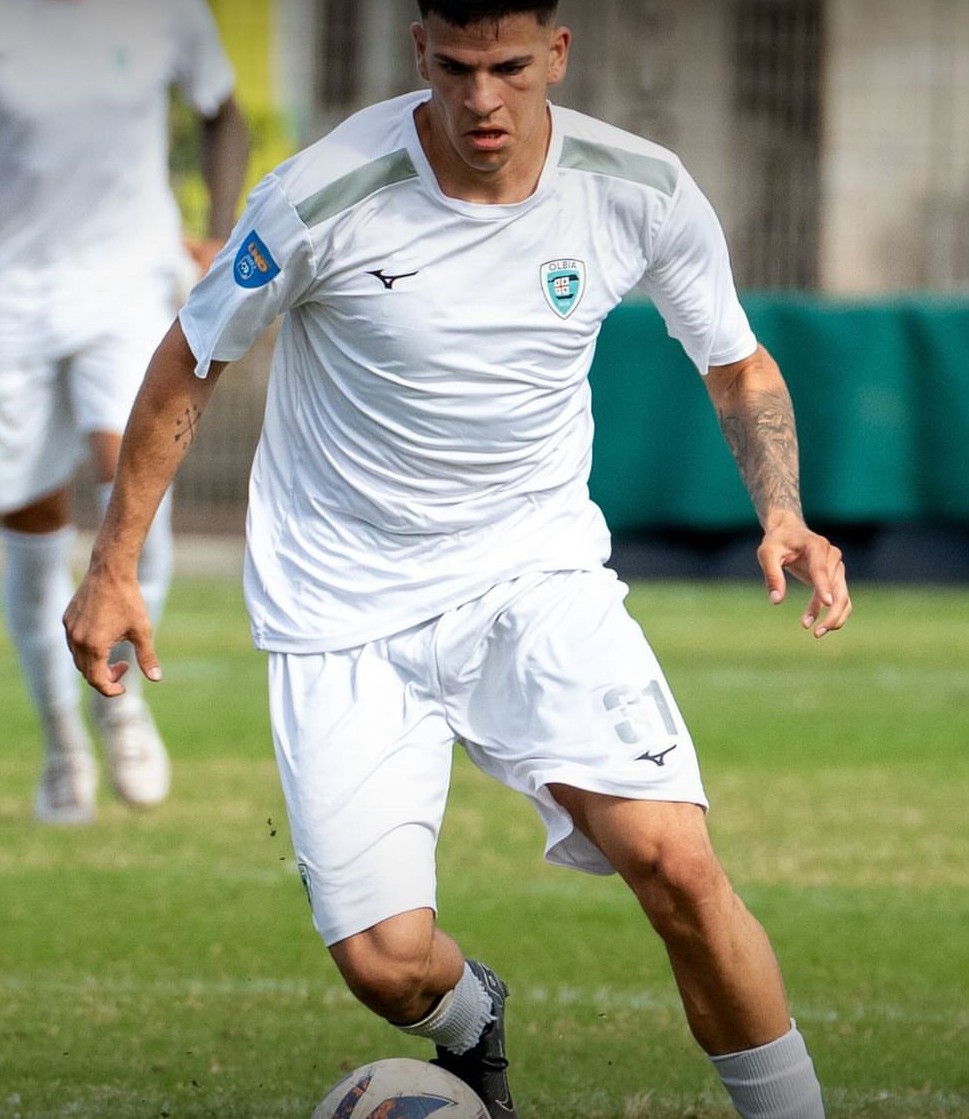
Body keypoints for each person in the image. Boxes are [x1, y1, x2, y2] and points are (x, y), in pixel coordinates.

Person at [64, 1, 851, 1115]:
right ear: (419, 54)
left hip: (537, 578)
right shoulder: (319, 196)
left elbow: (737, 365)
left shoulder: (640, 189)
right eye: (457, 67)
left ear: (558, 56)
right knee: (387, 966)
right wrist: (114, 563)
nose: (483, 99)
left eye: (510, 67)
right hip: (345, 606)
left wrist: (783, 510)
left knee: (676, 862)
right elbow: (191, 359)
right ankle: (472, 1016)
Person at [0, 0, 249, 823]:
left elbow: (223, 115)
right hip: (13, 297)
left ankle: (120, 701)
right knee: (29, 520)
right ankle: (61, 740)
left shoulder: (167, 10)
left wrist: (218, 234)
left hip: (127, 281)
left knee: (134, 479)